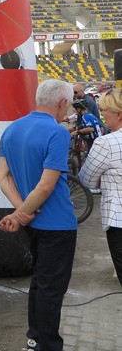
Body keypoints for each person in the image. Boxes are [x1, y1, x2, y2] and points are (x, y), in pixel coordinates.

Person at [0, 79, 77, 351]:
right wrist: (21, 214)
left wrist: (20, 211)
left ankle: (35, 337)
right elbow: (45, 185)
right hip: (57, 223)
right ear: (62, 103)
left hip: (33, 222)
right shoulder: (57, 132)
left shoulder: (12, 128)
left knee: (40, 281)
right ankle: (48, 345)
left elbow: (2, 176)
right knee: (52, 288)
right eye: (68, 106)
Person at [80, 88, 122, 288]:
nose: (102, 114)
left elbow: (86, 179)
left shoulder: (106, 143)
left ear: (118, 114)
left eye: (105, 110)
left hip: (119, 218)